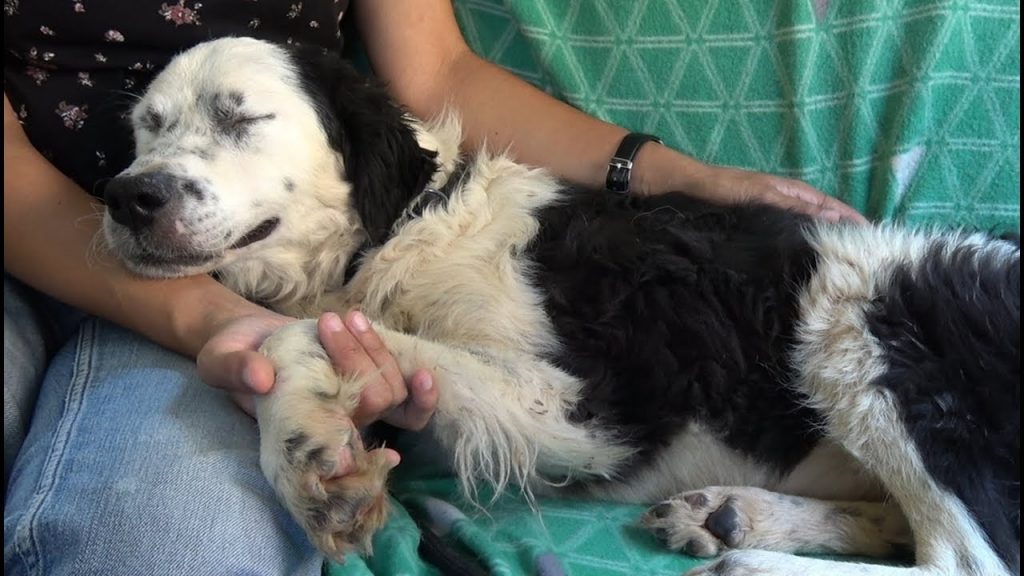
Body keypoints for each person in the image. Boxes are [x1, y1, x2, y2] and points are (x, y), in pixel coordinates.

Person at [3, 1, 864, 575]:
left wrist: (673, 173)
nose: (150, 167)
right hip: (75, 260)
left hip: (227, 296)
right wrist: (231, 321)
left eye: (238, 121)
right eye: (147, 134)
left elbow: (438, 76)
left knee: (159, 549)